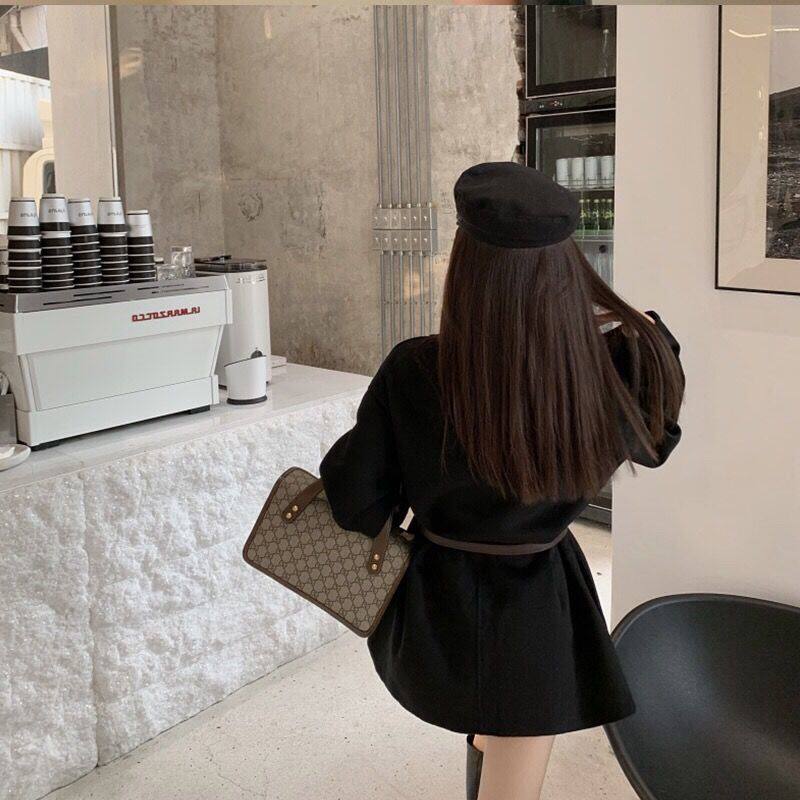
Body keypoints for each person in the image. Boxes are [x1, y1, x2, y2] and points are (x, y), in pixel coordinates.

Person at [320, 161, 684, 800]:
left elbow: (355, 504)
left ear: (465, 266)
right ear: (567, 265)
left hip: (439, 608)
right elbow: (655, 444)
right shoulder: (617, 367)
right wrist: (651, 341)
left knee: (494, 738)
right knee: (512, 742)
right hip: (542, 605)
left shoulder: (415, 371)